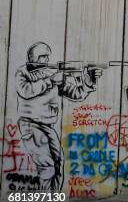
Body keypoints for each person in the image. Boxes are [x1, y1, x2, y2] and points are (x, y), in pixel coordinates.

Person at [16, 42, 100, 191]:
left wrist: (89, 82)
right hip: (30, 124)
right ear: (32, 57)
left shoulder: (51, 72)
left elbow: (75, 94)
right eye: (42, 57)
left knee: (57, 163)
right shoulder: (23, 72)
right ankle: (46, 201)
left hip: (47, 126)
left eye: (47, 56)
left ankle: (53, 198)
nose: (46, 60)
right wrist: (51, 81)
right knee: (47, 166)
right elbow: (25, 91)